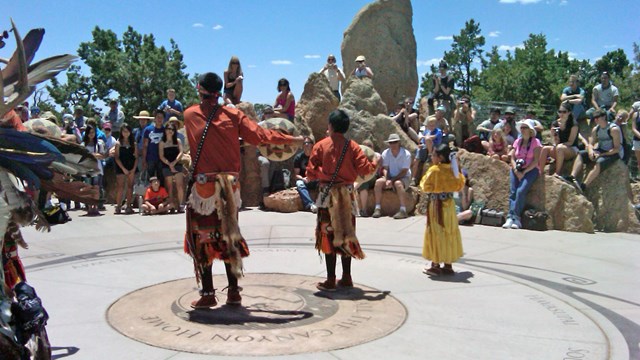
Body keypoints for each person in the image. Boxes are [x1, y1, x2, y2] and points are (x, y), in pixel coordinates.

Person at [183, 72, 303, 309]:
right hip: (230, 188)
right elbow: (261, 136)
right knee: (229, 237)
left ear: (199, 89)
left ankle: (208, 293)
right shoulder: (233, 115)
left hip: (204, 190)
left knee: (202, 239)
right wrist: (292, 140)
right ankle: (234, 292)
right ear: (220, 92)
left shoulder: (190, 115)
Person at [306, 109, 376, 291]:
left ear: (330, 126)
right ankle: (346, 277)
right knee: (347, 233)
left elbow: (310, 173)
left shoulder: (320, 146)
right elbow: (366, 169)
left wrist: (324, 173)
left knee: (327, 234)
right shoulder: (353, 147)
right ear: (345, 128)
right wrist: (376, 161)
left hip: (326, 196)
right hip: (347, 196)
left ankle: (330, 279)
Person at [421, 144, 466, 276]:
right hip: (450, 205)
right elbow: (460, 184)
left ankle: (435, 264)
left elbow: (425, 185)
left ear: (440, 157)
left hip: (436, 205)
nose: (431, 157)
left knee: (436, 232)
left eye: (433, 155)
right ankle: (448, 265)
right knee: (449, 231)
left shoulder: (434, 170)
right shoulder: (454, 171)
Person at [565, 109, 623, 195]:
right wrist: (591, 152)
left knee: (599, 162)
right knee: (580, 154)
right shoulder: (596, 129)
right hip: (600, 149)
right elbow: (590, 144)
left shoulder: (614, 129)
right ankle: (572, 176)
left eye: (597, 117)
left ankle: (584, 186)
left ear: (604, 117)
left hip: (613, 153)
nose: (595, 120)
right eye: (594, 118)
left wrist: (601, 154)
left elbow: (616, 148)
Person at [503, 120, 542, 229]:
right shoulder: (517, 141)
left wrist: (524, 172)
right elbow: (512, 157)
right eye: (522, 127)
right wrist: (516, 170)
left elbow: (535, 161)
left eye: (525, 128)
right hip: (517, 169)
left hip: (531, 170)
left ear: (530, 131)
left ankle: (516, 217)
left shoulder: (536, 142)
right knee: (513, 192)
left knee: (520, 191)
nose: (523, 129)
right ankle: (510, 217)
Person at [372, 133, 412, 219]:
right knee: (378, 182)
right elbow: (385, 168)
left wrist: (392, 180)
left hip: (403, 177)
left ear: (399, 143)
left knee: (398, 184)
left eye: (395, 142)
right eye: (391, 143)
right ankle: (377, 208)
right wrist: (386, 179)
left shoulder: (406, 154)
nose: (393, 144)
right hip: (390, 176)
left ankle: (403, 210)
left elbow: (404, 171)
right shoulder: (386, 153)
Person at [538, 102, 579, 176]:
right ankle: (540, 172)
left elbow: (571, 142)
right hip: (559, 147)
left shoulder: (573, 124)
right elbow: (552, 141)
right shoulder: (555, 123)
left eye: (564, 112)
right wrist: (554, 137)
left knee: (559, 148)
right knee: (545, 149)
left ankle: (557, 173)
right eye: (560, 112)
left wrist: (558, 146)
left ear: (569, 112)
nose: (561, 114)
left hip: (571, 149)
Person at [159, 123, 185, 213]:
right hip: (166, 165)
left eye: (172, 129)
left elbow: (181, 152)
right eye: (168, 129)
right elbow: (161, 155)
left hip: (177, 164)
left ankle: (181, 204)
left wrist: (174, 162)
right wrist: (169, 164)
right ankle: (171, 204)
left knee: (179, 185)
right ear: (165, 130)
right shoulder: (162, 142)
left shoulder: (177, 141)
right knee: (169, 186)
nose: (170, 131)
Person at [411, 116, 443, 186]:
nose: (432, 126)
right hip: (425, 148)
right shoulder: (426, 131)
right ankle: (413, 179)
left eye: (433, 124)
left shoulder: (438, 131)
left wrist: (423, 137)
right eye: (430, 124)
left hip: (435, 148)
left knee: (428, 139)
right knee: (416, 160)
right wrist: (421, 144)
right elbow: (422, 142)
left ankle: (430, 155)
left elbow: (432, 138)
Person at [82, 125, 106, 216]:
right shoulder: (83, 144)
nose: (91, 134)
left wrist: (96, 155)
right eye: (89, 132)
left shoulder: (99, 144)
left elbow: (103, 155)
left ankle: (95, 206)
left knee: (96, 187)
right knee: (88, 187)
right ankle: (89, 207)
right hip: (87, 168)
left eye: (93, 132)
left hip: (97, 168)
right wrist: (91, 155)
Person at [114, 124, 138, 214]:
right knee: (120, 187)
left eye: (127, 131)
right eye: (124, 131)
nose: (126, 133)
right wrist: (123, 169)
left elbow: (136, 157)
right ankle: (118, 205)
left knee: (130, 187)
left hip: (131, 166)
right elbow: (116, 157)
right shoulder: (118, 143)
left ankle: (128, 205)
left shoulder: (133, 143)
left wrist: (134, 169)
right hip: (121, 167)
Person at [355, 139, 381, 217]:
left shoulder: (377, 155)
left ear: (373, 147)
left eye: (369, 146)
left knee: (363, 181)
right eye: (365, 146)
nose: (367, 147)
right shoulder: (358, 156)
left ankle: (363, 210)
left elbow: (373, 166)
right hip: (362, 178)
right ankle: (362, 210)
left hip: (373, 176)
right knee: (363, 185)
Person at [294, 136, 318, 213]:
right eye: (304, 143)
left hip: (315, 179)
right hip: (304, 180)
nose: (306, 145)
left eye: (308, 143)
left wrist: (314, 177)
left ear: (312, 145)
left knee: (325, 183)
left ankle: (321, 204)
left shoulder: (317, 156)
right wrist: (303, 179)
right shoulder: (298, 157)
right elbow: (296, 174)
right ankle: (310, 205)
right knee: (299, 183)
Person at [142, 109, 166, 183]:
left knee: (161, 178)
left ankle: (161, 194)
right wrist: (144, 159)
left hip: (162, 159)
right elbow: (145, 145)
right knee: (151, 178)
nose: (159, 119)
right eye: (158, 117)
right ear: (155, 118)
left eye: (161, 117)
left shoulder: (165, 130)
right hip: (150, 158)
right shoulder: (148, 130)